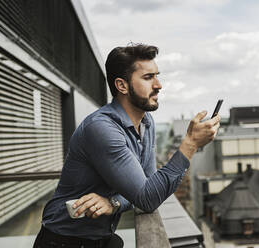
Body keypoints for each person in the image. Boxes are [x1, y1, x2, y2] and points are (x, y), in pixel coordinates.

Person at [33, 44, 220, 248]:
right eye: (148, 78)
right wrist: (190, 143)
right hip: (62, 241)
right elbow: (148, 198)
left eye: (157, 76)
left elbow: (148, 186)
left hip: (100, 239)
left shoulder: (146, 122)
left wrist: (113, 203)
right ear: (122, 86)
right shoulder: (102, 129)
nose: (158, 85)